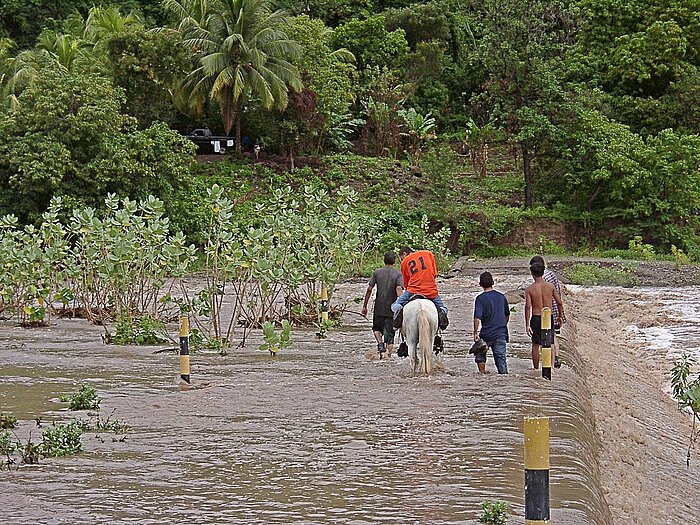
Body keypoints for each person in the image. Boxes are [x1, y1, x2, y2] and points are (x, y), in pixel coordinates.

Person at [391, 246, 449, 330]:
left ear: (404, 254)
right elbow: (434, 274)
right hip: (431, 290)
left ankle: (397, 323)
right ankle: (441, 324)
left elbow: (406, 284)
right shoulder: (428, 254)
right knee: (443, 308)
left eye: (401, 258)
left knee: (395, 305)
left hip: (413, 290)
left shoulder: (405, 262)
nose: (402, 260)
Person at [361, 252, 404, 357]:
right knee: (390, 336)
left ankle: (380, 344)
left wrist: (365, 306)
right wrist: (403, 303)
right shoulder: (398, 274)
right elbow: (398, 289)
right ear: (394, 261)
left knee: (376, 329)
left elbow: (369, 289)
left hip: (378, 307)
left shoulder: (377, 272)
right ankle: (388, 355)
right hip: (391, 309)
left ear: (384, 260)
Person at [525, 261, 564, 370]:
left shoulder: (529, 289)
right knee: (550, 342)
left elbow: (528, 306)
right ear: (543, 273)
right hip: (548, 316)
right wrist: (560, 316)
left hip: (536, 317)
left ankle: (536, 368)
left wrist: (527, 324)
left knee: (535, 344)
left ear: (532, 274)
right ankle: (550, 367)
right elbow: (559, 302)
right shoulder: (550, 286)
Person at [473, 271, 510, 374]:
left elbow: (477, 317)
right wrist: (502, 325)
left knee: (480, 354)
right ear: (493, 282)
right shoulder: (501, 297)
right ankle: (504, 379)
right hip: (500, 333)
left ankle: (482, 375)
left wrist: (476, 333)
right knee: (501, 359)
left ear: (480, 284)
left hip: (486, 333)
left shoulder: (480, 299)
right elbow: (507, 314)